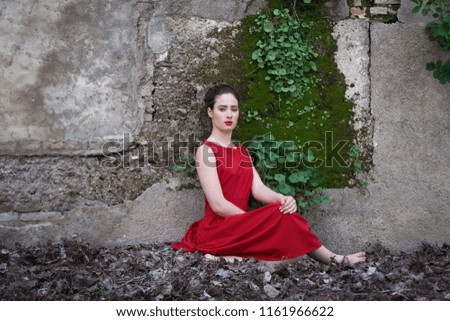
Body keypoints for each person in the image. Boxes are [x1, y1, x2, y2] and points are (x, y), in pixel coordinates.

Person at [172, 84, 366, 265]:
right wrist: (255, 222)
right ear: (210, 112)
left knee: (285, 211)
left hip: (242, 225)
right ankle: (335, 259)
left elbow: (258, 189)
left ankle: (332, 259)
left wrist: (281, 198)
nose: (229, 114)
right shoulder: (206, 151)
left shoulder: (242, 151)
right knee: (278, 221)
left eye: (234, 109)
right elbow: (218, 204)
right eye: (222, 109)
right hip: (220, 228)